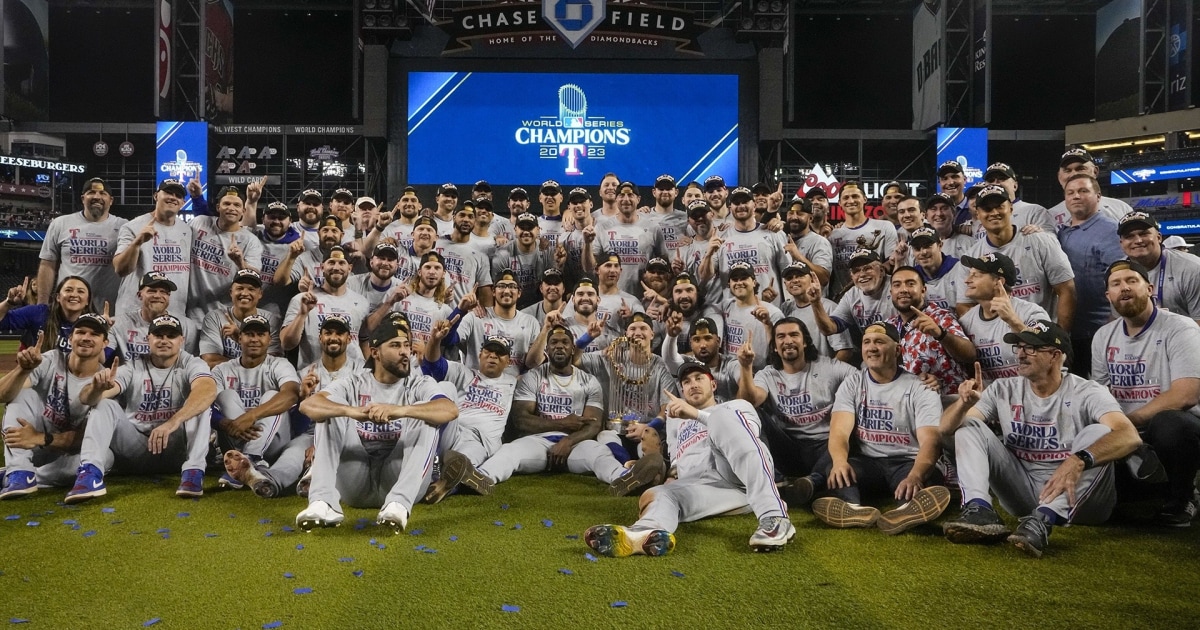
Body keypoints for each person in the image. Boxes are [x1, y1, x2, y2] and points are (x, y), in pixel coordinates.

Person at [940, 320, 1142, 558]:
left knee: (1100, 433)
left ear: (1055, 356)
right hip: (1023, 493)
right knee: (967, 426)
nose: (1022, 354)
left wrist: (1078, 460)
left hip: (1082, 500)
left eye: (1032, 348)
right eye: (1020, 347)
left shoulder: (1087, 391)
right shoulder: (1003, 389)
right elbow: (945, 429)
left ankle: (1044, 519)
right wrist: (964, 404)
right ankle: (979, 508)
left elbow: (1129, 435)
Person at [582, 360, 795, 556]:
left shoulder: (736, 406)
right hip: (708, 489)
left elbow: (748, 444)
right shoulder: (675, 422)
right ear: (682, 390)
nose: (693, 384)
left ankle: (774, 516)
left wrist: (695, 414)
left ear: (713, 385)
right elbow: (677, 458)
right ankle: (644, 532)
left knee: (720, 418)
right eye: (686, 381)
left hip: (740, 481)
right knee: (659, 493)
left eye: (699, 378)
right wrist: (672, 476)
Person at [294, 317, 458, 532]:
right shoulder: (354, 381)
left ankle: (398, 505)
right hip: (355, 483)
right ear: (375, 352)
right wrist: (352, 412)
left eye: (407, 345)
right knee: (331, 410)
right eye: (395, 345)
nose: (404, 352)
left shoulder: (418, 383)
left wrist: (399, 411)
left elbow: (450, 409)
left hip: (398, 478)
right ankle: (323, 502)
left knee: (425, 413)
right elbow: (309, 405)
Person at [800, 323, 950, 535]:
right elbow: (839, 431)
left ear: (898, 350)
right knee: (837, 471)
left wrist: (916, 474)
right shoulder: (853, 383)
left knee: (924, 480)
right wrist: (840, 463)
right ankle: (852, 508)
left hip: (908, 461)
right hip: (870, 462)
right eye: (866, 342)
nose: (872, 348)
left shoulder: (920, 387)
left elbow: (930, 441)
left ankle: (906, 509)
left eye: (880, 342)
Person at [1091, 260, 1200, 526]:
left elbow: (1186, 395)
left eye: (1132, 281)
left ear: (1149, 288)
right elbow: (1098, 393)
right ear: (1109, 296)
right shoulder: (1103, 336)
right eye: (1116, 284)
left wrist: (1130, 421)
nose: (1124, 288)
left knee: (1171, 424)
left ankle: (1183, 497)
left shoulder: (1181, 328)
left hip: (1173, 427)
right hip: (1127, 432)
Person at [69, 315, 218, 501]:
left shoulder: (192, 363)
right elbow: (86, 399)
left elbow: (208, 389)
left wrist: (172, 422)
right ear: (148, 339)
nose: (164, 340)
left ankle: (193, 472)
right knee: (104, 404)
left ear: (182, 340)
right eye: (158, 335)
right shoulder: (132, 366)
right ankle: (90, 474)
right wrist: (96, 390)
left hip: (176, 448)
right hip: (137, 449)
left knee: (200, 405)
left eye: (171, 336)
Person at [473, 324, 632, 491]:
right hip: (538, 442)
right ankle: (480, 478)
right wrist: (563, 424)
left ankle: (624, 478)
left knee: (600, 453)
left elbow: (593, 424)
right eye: (554, 342)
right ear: (547, 349)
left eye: (565, 342)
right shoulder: (533, 377)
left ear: (572, 349)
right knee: (510, 451)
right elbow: (521, 420)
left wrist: (568, 441)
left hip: (576, 444)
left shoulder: (589, 381)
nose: (559, 346)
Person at [0, 316, 110, 498]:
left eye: (95, 334)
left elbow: (87, 439)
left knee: (106, 459)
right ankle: (20, 472)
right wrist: (23, 370)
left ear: (105, 342)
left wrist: (41, 438)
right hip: (31, 445)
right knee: (22, 392)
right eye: (80, 332)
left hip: (66, 453)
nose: (86, 337)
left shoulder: (104, 381)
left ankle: (22, 475)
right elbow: (3, 395)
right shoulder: (51, 359)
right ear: (70, 338)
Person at [736, 317, 856, 480]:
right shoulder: (768, 374)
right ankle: (776, 479)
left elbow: (862, 381)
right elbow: (749, 402)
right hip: (789, 448)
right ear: (775, 347)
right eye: (781, 336)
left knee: (851, 426)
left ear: (805, 342)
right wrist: (745, 367)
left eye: (794, 335)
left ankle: (811, 482)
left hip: (826, 445)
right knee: (751, 413)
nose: (788, 341)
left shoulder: (829, 367)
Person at [419, 318, 518, 503]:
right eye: (488, 351)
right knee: (445, 387)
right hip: (453, 430)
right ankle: (447, 472)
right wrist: (435, 340)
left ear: (508, 361)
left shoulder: (514, 382)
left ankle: (443, 482)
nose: (493, 356)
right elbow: (432, 364)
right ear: (480, 355)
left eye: (500, 353)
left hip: (480, 440)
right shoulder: (464, 372)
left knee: (461, 461)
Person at [958, 184, 1076, 330]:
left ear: (1011, 209)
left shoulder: (1041, 241)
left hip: (1041, 336)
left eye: (1000, 206)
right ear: (978, 214)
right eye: (987, 209)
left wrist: (1060, 335)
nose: (994, 212)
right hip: (998, 339)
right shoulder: (971, 256)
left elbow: (1066, 289)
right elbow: (964, 304)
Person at [211, 314, 301, 489]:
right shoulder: (221, 370)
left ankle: (250, 458)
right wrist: (224, 423)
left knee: (273, 396)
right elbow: (206, 406)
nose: (255, 339)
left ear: (269, 339)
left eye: (260, 334)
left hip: (274, 442)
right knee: (226, 395)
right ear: (239, 338)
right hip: (234, 436)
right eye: (249, 334)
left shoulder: (280, 364)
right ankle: (250, 463)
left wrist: (250, 416)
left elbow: (291, 395)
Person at [1057, 174, 1125, 375]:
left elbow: (1121, 280)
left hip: (1098, 331)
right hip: (1070, 331)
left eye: (1083, 191)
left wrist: (1113, 322)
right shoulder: (1061, 231)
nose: (1076, 196)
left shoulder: (1111, 230)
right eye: (1070, 193)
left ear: (1098, 196)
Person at [957, 253, 1049, 385]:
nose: (967, 280)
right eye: (969, 273)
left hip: (1031, 392)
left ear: (998, 282)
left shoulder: (1032, 313)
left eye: (976, 275)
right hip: (989, 399)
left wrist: (1012, 320)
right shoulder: (966, 322)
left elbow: (1048, 359)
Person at [38, 177, 127, 309]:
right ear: (82, 198)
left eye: (103, 193)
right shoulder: (60, 224)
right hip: (68, 306)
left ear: (111, 200)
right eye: (91, 192)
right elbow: (47, 265)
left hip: (109, 309)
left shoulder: (124, 226)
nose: (97, 196)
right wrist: (42, 305)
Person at [885, 266, 975, 397]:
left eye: (911, 284)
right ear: (891, 292)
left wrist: (940, 333)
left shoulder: (940, 317)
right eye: (897, 285)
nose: (903, 290)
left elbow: (970, 354)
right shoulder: (888, 326)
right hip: (907, 402)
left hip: (948, 401)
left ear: (923, 290)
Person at [112, 179, 193, 318]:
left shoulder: (187, 230)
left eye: (178, 196)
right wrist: (137, 243)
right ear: (156, 196)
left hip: (173, 312)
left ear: (182, 203)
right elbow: (120, 269)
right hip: (135, 313)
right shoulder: (133, 226)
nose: (173, 197)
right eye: (168, 192)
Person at [281, 246, 370, 367]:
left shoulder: (362, 302)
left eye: (341, 263)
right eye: (331, 262)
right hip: (314, 376)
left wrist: (369, 370)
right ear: (322, 267)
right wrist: (302, 314)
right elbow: (286, 344)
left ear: (350, 268)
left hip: (353, 377)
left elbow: (363, 342)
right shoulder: (302, 300)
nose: (336, 267)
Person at [186, 185, 264, 321]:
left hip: (224, 316)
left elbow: (255, 277)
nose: (231, 208)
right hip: (190, 313)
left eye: (236, 205)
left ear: (243, 211)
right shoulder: (200, 223)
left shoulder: (251, 241)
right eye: (226, 203)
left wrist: (240, 263)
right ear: (218, 207)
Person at [1117, 211, 1200, 322]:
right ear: (1121, 243)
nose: (1138, 240)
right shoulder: (1115, 273)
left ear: (1159, 237)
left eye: (1144, 233)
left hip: (1184, 337)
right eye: (1129, 236)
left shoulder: (1192, 268)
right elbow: (1118, 320)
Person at [198, 269, 282, 368]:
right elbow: (210, 361)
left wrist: (240, 338)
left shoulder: (271, 320)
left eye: (251, 289)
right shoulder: (215, 317)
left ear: (260, 294)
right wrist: (251, 364)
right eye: (240, 288)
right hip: (223, 380)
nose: (245, 293)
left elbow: (272, 364)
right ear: (231, 292)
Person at [109, 272, 200, 362]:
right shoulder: (118, 324)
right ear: (139, 295)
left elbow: (190, 363)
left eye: (163, 292)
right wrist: (101, 327)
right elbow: (101, 356)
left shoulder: (187, 326)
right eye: (152, 291)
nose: (157, 296)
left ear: (169, 296)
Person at [828, 181, 897, 297]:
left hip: (877, 296)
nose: (850, 201)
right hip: (840, 299)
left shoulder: (885, 227)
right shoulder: (832, 235)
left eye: (855, 196)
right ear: (840, 202)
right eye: (846, 198)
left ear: (864, 199)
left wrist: (867, 273)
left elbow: (892, 262)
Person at [1048, 148, 1133, 230]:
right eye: (1067, 170)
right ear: (1059, 177)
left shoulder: (1120, 208)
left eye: (1080, 169)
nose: (1073, 174)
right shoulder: (1049, 216)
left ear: (1095, 172)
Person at [981, 162, 1055, 234]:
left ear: (1015, 186)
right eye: (991, 180)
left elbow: (1052, 241)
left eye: (1002, 179)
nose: (996, 183)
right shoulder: (982, 215)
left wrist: (1041, 233)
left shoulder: (1034, 211)